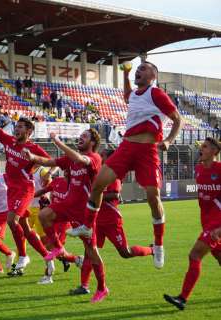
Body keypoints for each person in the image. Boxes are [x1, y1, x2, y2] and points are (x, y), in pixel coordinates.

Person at [70, 61, 183, 271]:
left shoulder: (156, 93)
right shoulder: (134, 95)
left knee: (152, 196)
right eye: (137, 69)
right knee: (97, 185)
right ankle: (87, 226)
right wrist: (125, 75)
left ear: (153, 76)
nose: (139, 71)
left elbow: (178, 119)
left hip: (147, 150)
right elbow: (127, 95)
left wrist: (168, 140)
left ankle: (158, 245)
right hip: (127, 147)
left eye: (144, 69)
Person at [32, 130, 108, 303]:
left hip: (84, 213)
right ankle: (58, 248)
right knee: (44, 215)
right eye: (80, 135)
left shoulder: (94, 158)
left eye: (85, 136)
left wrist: (57, 141)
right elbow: (48, 161)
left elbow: (81, 159)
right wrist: (32, 156)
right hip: (68, 206)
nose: (80, 138)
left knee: (91, 251)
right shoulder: (70, 160)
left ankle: (102, 287)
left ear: (93, 143)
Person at [0, 95, 51, 273]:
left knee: (12, 220)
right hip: (12, 190)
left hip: (25, 189)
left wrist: (41, 166)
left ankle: (22, 255)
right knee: (26, 229)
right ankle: (51, 256)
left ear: (28, 132)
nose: (16, 129)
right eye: (16, 126)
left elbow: (50, 161)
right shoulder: (9, 141)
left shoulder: (33, 148)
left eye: (20, 127)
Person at [70, 148, 153, 296]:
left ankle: (151, 250)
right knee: (89, 252)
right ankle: (84, 286)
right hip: (95, 220)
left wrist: (94, 194)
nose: (99, 158)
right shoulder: (96, 174)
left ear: (110, 159)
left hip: (111, 221)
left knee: (125, 252)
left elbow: (115, 194)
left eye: (102, 156)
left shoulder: (113, 175)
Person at [164, 137, 221, 310]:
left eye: (204, 147)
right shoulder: (198, 169)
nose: (201, 149)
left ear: (214, 152)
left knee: (194, 255)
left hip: (217, 221)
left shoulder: (220, 169)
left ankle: (182, 298)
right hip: (206, 220)